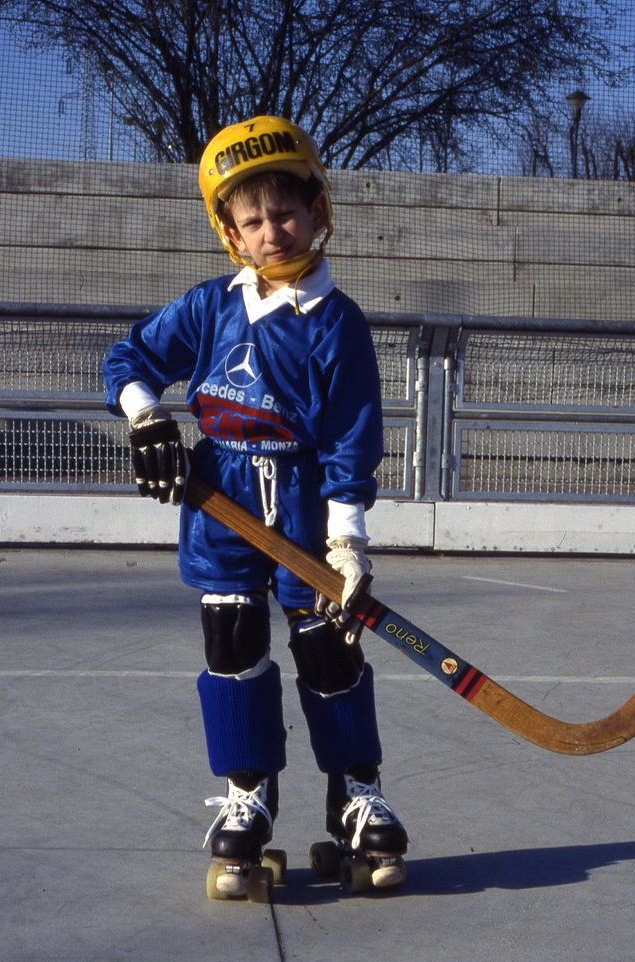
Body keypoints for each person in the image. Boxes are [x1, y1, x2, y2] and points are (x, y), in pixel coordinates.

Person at [103, 115, 408, 899]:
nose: (271, 231)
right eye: (252, 220)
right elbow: (128, 358)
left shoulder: (336, 323)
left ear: (316, 210)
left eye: (284, 212)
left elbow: (349, 437)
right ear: (229, 232)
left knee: (327, 649)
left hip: (303, 503)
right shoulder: (210, 308)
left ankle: (355, 793)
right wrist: (147, 416)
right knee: (231, 645)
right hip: (221, 498)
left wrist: (348, 541)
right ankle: (249, 794)